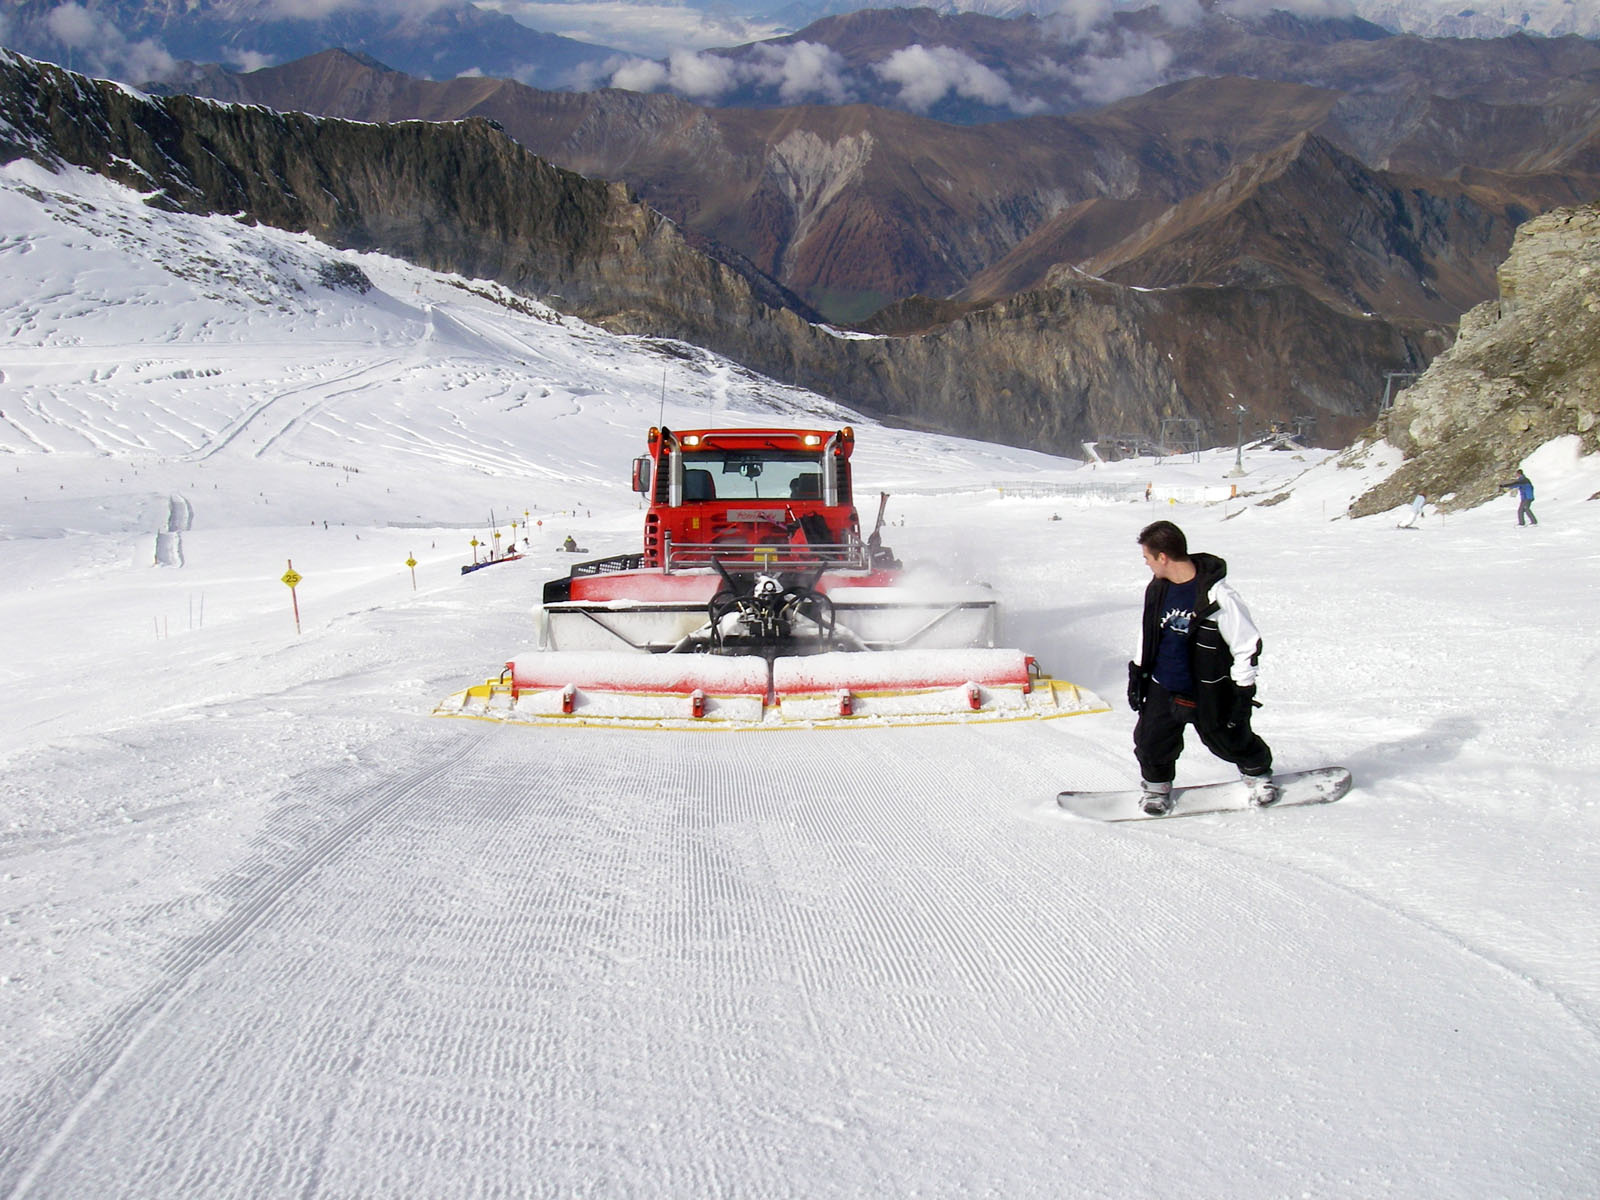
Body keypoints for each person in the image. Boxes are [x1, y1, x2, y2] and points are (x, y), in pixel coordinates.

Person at [1127, 520, 1275, 814]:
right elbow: (1148, 632)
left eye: (1147, 557)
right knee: (1151, 741)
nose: (1146, 563)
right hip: (1163, 683)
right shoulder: (1157, 590)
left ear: (1163, 557)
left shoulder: (1218, 596)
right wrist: (1138, 673)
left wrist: (1243, 692)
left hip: (1207, 687)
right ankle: (1156, 789)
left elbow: (1246, 644)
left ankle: (1258, 775)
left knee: (1227, 738)